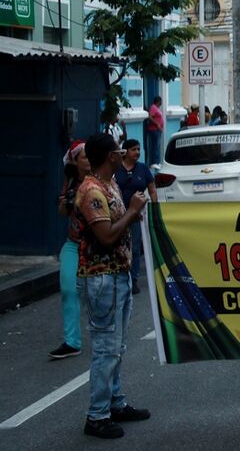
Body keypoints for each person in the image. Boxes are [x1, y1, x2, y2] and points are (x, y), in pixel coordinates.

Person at [74, 133, 150, 439]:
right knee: (106, 347)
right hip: (100, 277)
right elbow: (105, 236)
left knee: (117, 346)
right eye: (118, 151)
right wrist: (132, 211)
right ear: (109, 157)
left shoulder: (111, 185)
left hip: (119, 274)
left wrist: (134, 213)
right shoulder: (92, 191)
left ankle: (115, 402)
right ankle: (97, 415)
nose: (123, 154)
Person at [50, 140, 91, 361]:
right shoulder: (71, 179)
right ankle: (72, 341)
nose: (88, 159)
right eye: (83, 156)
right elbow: (63, 213)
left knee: (99, 296)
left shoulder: (101, 179)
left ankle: (108, 336)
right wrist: (65, 202)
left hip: (97, 247)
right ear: (74, 161)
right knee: (68, 290)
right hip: (73, 244)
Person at [114, 139, 157, 295]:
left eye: (139, 149)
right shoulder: (116, 169)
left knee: (136, 247)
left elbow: (152, 189)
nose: (137, 152)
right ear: (125, 152)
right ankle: (119, 277)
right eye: (134, 149)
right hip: (118, 214)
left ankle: (133, 279)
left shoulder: (143, 169)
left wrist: (155, 208)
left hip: (136, 216)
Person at [144, 96, 164, 165]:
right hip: (154, 130)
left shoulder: (156, 108)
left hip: (158, 130)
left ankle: (157, 162)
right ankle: (154, 162)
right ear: (158, 101)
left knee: (157, 146)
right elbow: (150, 117)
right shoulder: (153, 107)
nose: (161, 103)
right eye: (160, 101)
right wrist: (157, 124)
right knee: (155, 146)